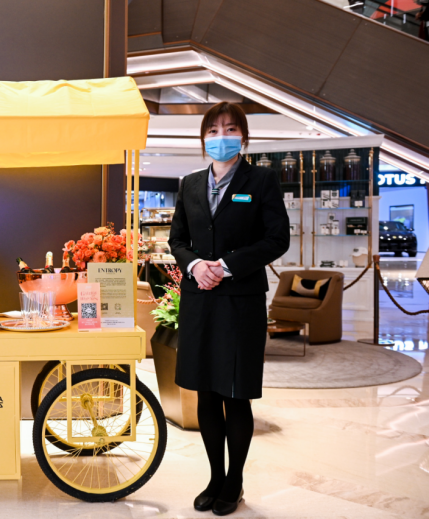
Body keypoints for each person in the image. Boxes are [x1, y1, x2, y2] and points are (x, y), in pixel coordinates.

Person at [169, 102, 289, 516]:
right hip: (200, 300)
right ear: (203, 139)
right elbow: (177, 239)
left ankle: (234, 481)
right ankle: (215, 477)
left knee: (235, 394)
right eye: (213, 130)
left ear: (244, 136)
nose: (222, 136)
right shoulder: (189, 184)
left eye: (230, 129)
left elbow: (277, 239)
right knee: (205, 393)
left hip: (240, 303)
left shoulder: (262, 180)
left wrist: (225, 265)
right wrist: (195, 265)